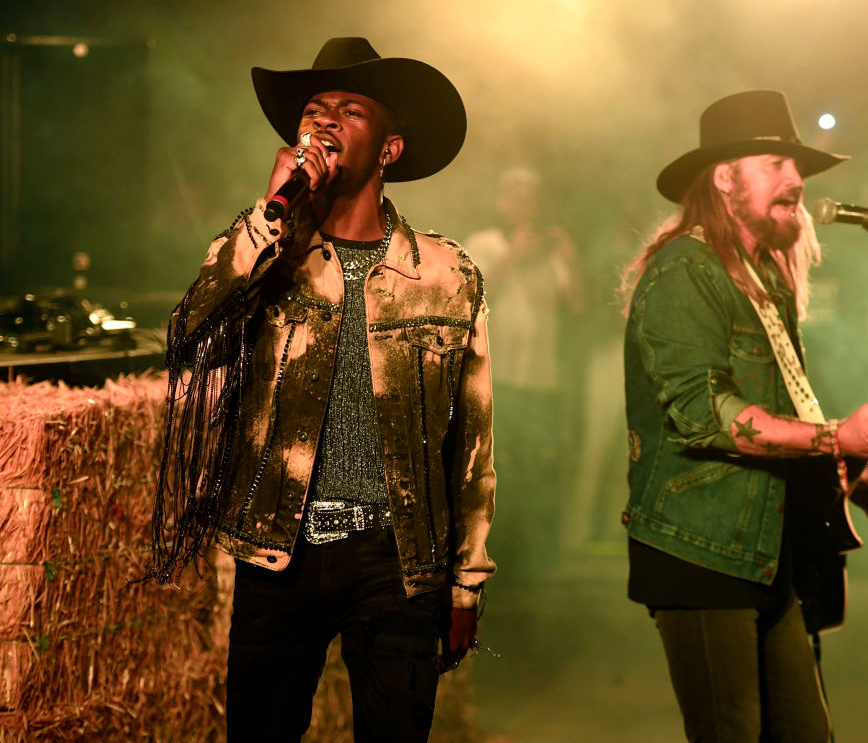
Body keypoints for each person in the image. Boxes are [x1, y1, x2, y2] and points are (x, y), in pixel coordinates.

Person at [146, 38, 496, 742]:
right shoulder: (265, 249)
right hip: (280, 551)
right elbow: (188, 341)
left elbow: (473, 443)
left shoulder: (448, 273)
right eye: (314, 109)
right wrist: (270, 212)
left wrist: (467, 582)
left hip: (397, 557)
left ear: (390, 148)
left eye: (350, 110)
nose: (325, 120)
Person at [621, 90, 868, 742]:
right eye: (776, 163)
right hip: (700, 547)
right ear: (725, 178)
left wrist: (841, 464)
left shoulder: (760, 275)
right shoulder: (685, 269)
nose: (796, 180)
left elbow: (780, 402)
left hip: (765, 549)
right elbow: (705, 414)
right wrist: (836, 436)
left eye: (796, 166)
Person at [464, 166, 582, 576]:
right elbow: (471, 299)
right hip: (496, 378)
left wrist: (570, 260)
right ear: (501, 201)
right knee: (496, 467)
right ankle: (496, 552)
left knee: (539, 465)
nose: (524, 203)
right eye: (516, 195)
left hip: (541, 379)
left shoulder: (550, 251)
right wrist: (512, 255)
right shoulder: (484, 242)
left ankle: (536, 559)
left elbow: (578, 307)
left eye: (530, 197)